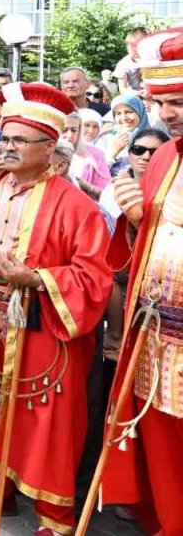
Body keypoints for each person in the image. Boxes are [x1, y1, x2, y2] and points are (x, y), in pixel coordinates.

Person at [0, 82, 111, 535]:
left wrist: (37, 278)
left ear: (49, 147)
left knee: (46, 419)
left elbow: (95, 276)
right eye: (5, 138)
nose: (7, 147)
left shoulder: (76, 206)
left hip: (41, 323)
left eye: (19, 140)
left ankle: (55, 518)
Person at [99, 26, 183, 534]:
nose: (168, 114)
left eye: (178, 100)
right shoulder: (165, 157)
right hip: (157, 334)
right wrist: (134, 221)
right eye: (160, 102)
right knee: (163, 452)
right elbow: (145, 244)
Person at [95, 93, 150, 176]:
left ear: (140, 112)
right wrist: (112, 153)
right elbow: (95, 175)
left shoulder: (154, 138)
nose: (124, 118)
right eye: (118, 114)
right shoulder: (104, 139)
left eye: (129, 112)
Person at [62, 112, 111, 199]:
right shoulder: (42, 152)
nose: (69, 135)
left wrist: (87, 187)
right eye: (64, 130)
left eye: (74, 130)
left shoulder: (96, 154)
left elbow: (107, 194)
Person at [113, 27, 147, 97]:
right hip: (135, 98)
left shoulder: (153, 59)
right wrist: (138, 93)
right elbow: (123, 89)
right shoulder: (123, 64)